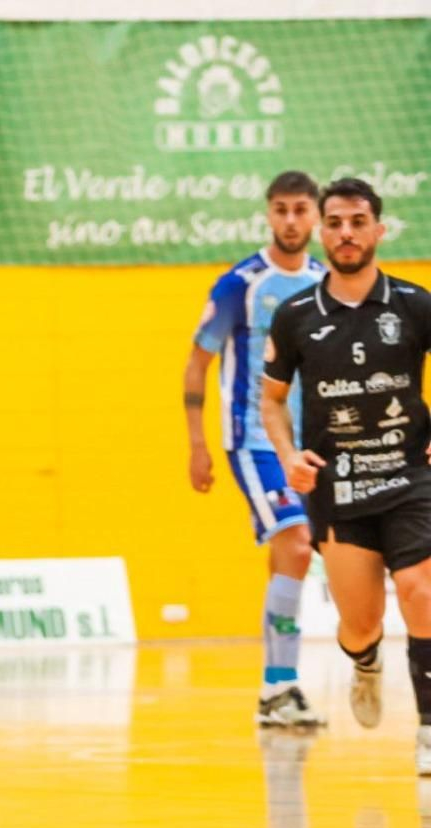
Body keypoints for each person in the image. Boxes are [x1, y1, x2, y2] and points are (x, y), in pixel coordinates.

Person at [263, 177, 431, 771]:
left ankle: (428, 729)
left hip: (409, 477)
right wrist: (289, 455)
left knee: (421, 592)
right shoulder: (295, 316)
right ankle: (365, 663)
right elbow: (272, 401)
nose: (346, 233)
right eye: (334, 222)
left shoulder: (415, 304)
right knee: (361, 625)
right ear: (321, 230)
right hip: (339, 487)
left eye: (358, 222)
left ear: (378, 230)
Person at [184, 171, 326, 727]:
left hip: (310, 443)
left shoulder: (324, 281)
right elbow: (198, 362)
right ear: (269, 214)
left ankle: (275, 689)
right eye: (281, 210)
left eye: (300, 210)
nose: (290, 220)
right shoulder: (239, 284)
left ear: (315, 215)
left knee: (294, 554)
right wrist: (198, 444)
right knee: (296, 542)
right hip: (253, 440)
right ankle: (279, 686)